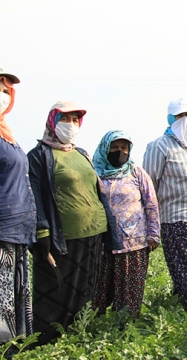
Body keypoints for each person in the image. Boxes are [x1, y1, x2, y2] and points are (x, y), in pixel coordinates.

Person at [28, 101, 118, 345]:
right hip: (63, 235)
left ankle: (77, 336)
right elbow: (34, 195)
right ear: (52, 122)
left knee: (85, 287)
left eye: (75, 120)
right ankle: (47, 339)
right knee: (57, 288)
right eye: (65, 119)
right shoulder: (39, 156)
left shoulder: (81, 153)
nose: (71, 124)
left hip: (94, 232)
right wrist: (42, 230)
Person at [143, 98, 187, 314]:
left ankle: (181, 308)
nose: (185, 121)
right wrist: (150, 223)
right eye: (180, 116)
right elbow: (149, 186)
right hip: (176, 218)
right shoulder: (159, 146)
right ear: (171, 119)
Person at [92, 130, 160, 319]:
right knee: (98, 291)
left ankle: (125, 328)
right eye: (114, 147)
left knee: (129, 293)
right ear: (105, 148)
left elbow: (151, 203)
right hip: (103, 242)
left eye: (124, 148)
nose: (119, 151)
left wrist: (153, 234)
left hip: (134, 242)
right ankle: (94, 327)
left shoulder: (136, 172)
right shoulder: (94, 172)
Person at [0, 69, 35, 345]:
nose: (2, 94)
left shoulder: (8, 135)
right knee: (3, 300)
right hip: (2, 231)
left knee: (15, 293)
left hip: (17, 231)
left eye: (5, 90)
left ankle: (16, 347)